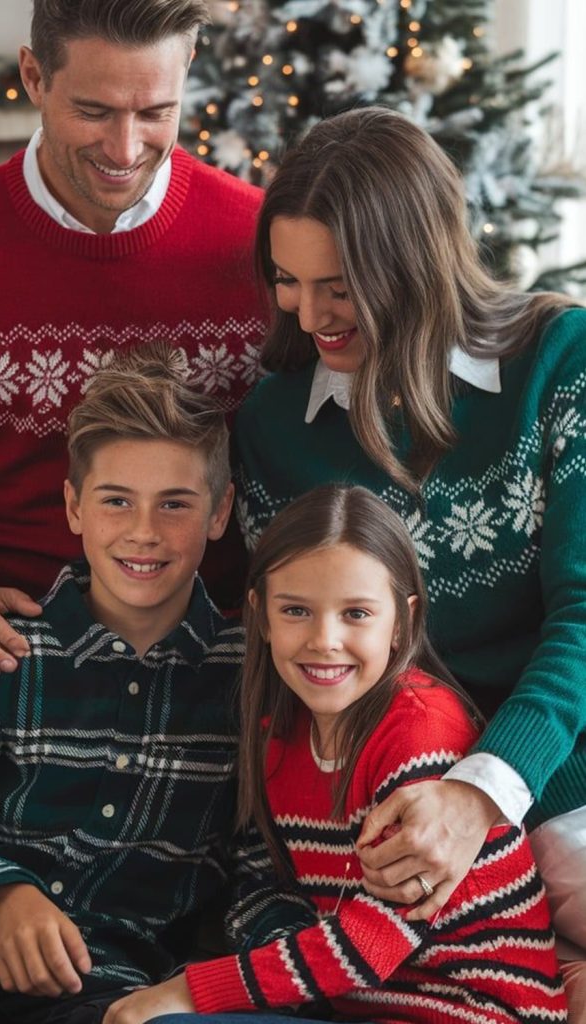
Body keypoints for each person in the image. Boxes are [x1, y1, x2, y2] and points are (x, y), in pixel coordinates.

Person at [230, 107, 586, 945]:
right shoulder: (274, 426)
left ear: (412, 263)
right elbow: (288, 648)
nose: (309, 314)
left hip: (559, 776)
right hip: (388, 801)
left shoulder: (559, 359)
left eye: (339, 285)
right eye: (287, 280)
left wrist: (481, 793)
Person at [0, 348, 308, 1024]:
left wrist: (293, 960)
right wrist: (1, 894)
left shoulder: (252, 677)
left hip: (107, 988)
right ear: (74, 507)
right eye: (116, 501)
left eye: (174, 504)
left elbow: (257, 869)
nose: (143, 533)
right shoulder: (3, 646)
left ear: (219, 513)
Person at [99, 485, 567, 1024]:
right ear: (262, 615)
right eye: (296, 610)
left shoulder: (421, 729)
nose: (324, 639)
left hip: (477, 1012)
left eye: (356, 614)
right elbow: (265, 880)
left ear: (402, 622)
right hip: (350, 1007)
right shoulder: (278, 734)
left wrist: (192, 991)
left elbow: (373, 943)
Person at [0, 0, 265, 689]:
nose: (125, 151)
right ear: (34, 77)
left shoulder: (258, 246)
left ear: (188, 68)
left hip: (215, 649)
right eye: (95, 113)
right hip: (7, 644)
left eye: (156, 112)